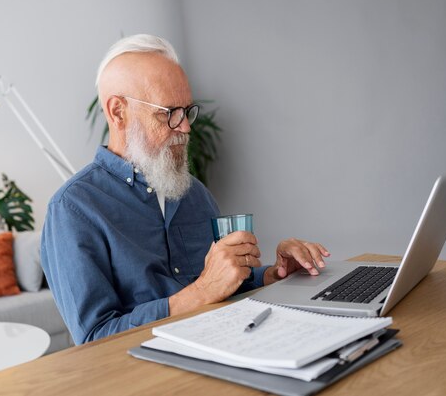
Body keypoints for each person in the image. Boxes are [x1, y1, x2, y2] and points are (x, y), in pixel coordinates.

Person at [41, 34, 330, 344]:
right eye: (168, 113)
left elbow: (224, 286)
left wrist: (275, 275)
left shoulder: (194, 194)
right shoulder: (73, 209)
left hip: (227, 346)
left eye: (187, 111)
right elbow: (94, 340)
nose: (186, 127)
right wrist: (201, 292)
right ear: (118, 112)